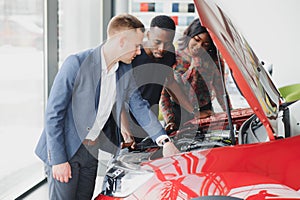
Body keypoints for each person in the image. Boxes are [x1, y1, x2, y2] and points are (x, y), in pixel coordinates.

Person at [34, 14, 179, 200]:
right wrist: (58, 160)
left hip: (91, 151)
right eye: (136, 46)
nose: (138, 51)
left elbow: (139, 106)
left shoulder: (124, 70)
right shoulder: (76, 63)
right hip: (66, 150)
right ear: (121, 41)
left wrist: (164, 141)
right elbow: (53, 114)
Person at [120, 15, 197, 148]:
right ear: (148, 35)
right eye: (157, 42)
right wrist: (126, 132)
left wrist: (194, 112)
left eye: (167, 43)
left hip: (151, 124)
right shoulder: (133, 56)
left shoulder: (169, 53)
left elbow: (171, 83)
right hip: (126, 125)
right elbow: (119, 98)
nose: (162, 48)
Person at [160, 18, 230, 131]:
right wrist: (170, 120)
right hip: (178, 113)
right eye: (196, 40)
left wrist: (230, 114)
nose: (199, 46)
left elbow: (221, 91)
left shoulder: (214, 61)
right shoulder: (173, 57)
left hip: (204, 111)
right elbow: (164, 95)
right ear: (189, 35)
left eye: (205, 44)